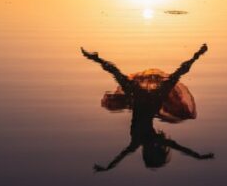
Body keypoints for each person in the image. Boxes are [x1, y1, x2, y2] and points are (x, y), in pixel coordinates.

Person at [80, 44, 214, 171]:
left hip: (143, 98)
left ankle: (95, 58)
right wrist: (197, 156)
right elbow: (180, 148)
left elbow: (122, 156)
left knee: (118, 74)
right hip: (145, 99)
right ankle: (95, 58)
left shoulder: (139, 142)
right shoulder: (140, 142)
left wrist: (109, 167)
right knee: (173, 76)